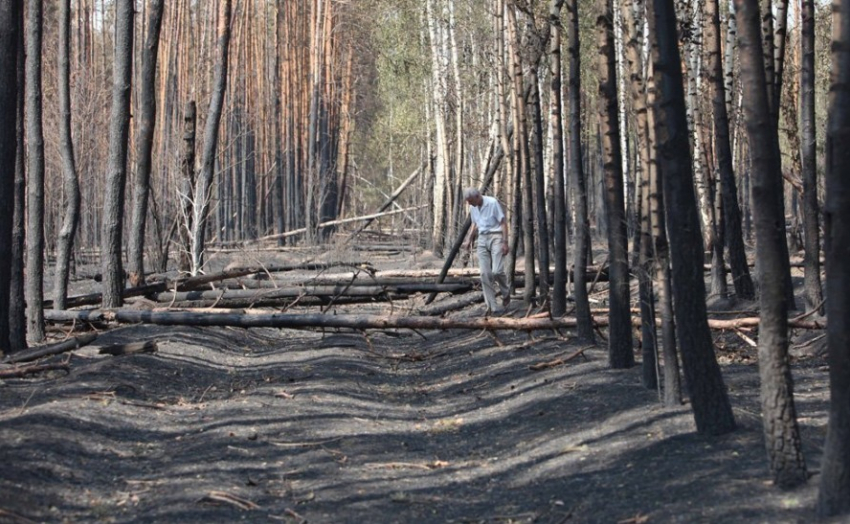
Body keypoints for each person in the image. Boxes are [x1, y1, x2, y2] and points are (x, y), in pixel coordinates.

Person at [463, 188, 511, 315]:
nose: (469, 204)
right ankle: (492, 306)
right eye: (468, 201)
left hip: (496, 236)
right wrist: (469, 239)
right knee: (484, 274)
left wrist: (505, 242)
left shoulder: (492, 203)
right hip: (482, 238)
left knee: (497, 271)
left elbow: (503, 222)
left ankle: (506, 293)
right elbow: (475, 223)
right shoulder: (473, 207)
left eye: (471, 201)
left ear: (478, 196)